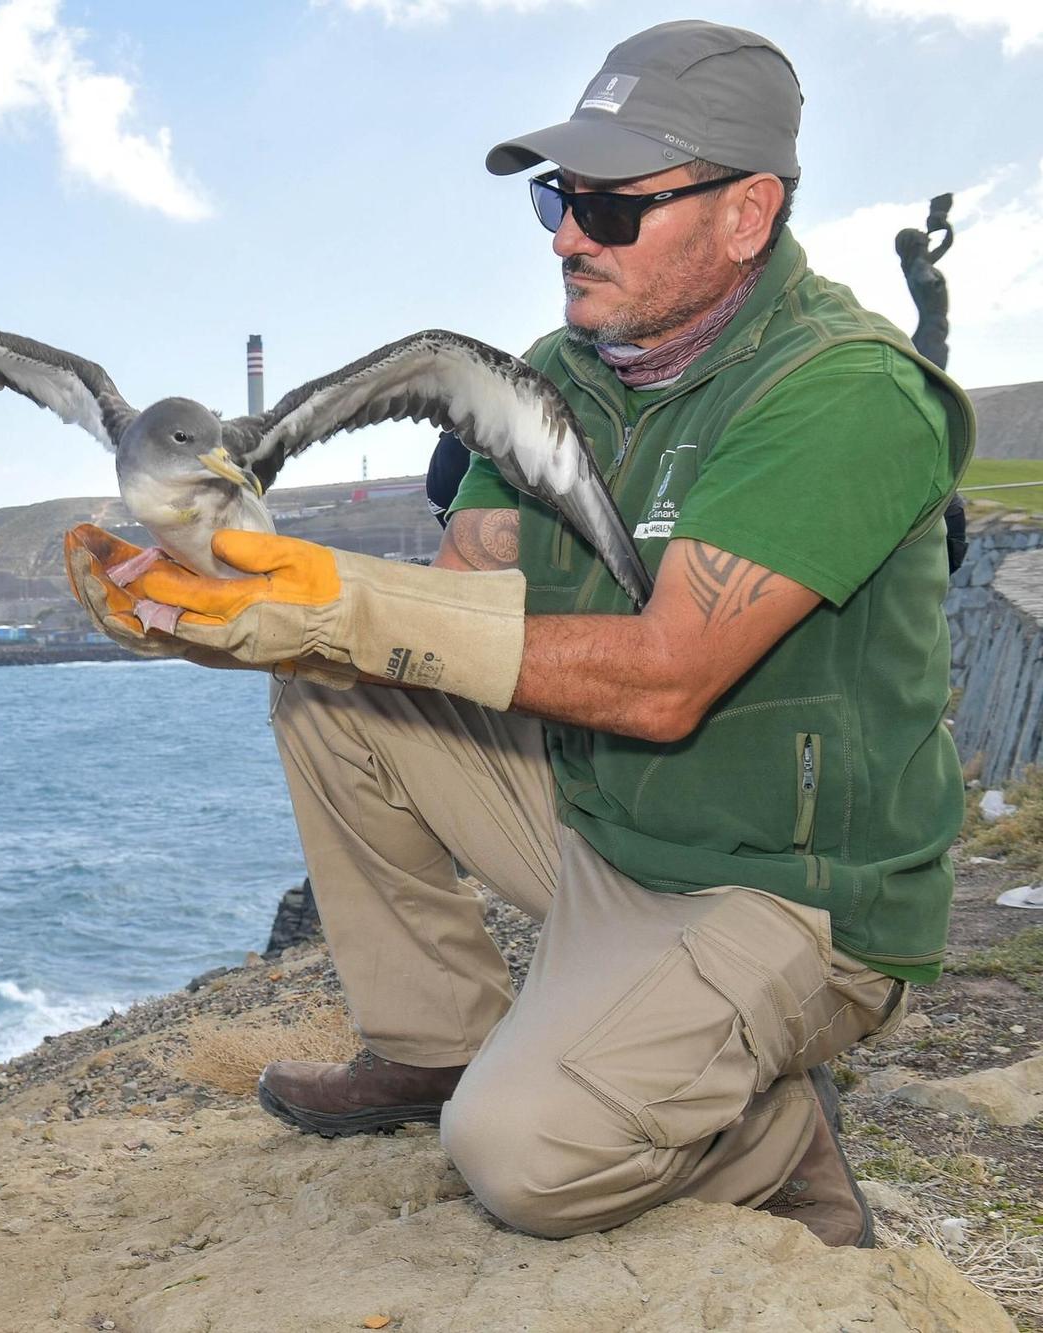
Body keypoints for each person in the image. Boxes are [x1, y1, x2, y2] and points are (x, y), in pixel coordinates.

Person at [63, 20, 973, 1248]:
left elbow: (663, 681)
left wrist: (336, 604)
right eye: (556, 198)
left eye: (608, 208)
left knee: (517, 1157)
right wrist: (215, 597)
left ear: (746, 213)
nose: (561, 235)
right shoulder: (563, 372)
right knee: (333, 699)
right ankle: (433, 1043)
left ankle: (763, 1126)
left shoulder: (841, 394)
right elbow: (457, 599)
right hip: (607, 821)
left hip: (785, 890)